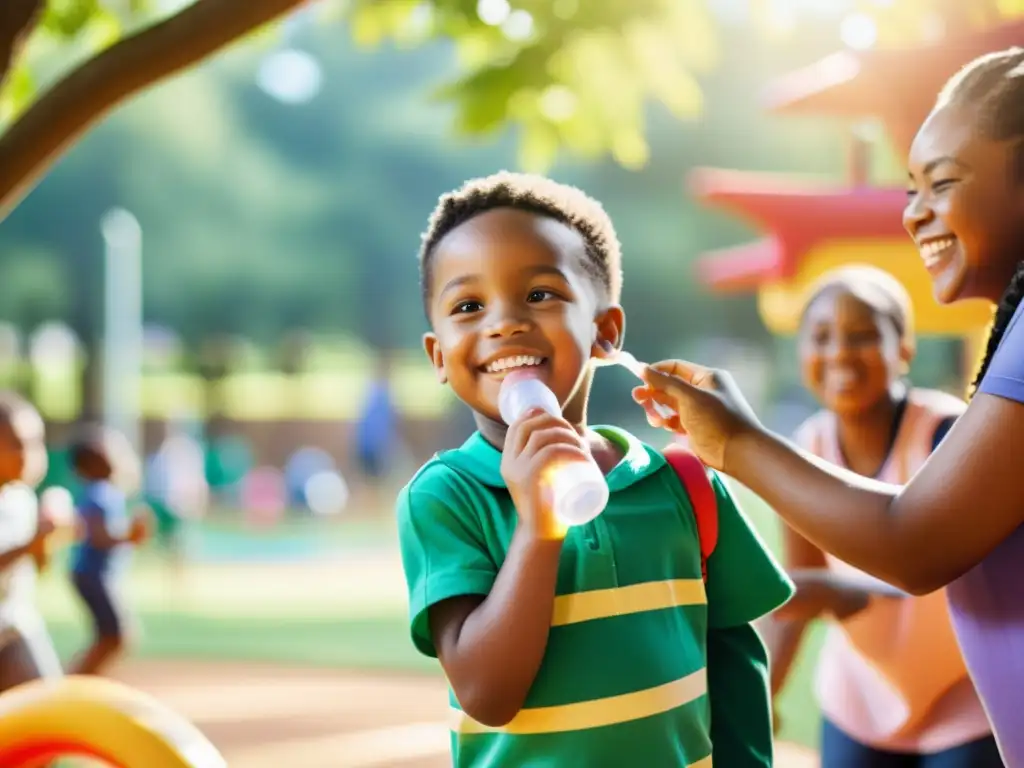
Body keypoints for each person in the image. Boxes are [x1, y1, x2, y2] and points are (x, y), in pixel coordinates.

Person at [633, 47, 1024, 765]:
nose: (914, 214)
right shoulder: (817, 439)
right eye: (910, 188)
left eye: (941, 183)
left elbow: (915, 544)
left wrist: (734, 444)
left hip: (957, 717)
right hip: (864, 703)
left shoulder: (952, 414)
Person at [396, 171, 794, 767]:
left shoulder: (684, 484)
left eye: (539, 294)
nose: (503, 324)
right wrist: (539, 528)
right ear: (438, 356)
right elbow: (487, 693)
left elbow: (734, 663)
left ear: (606, 332)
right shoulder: (446, 497)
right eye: (469, 305)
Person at [765, 266, 997, 766]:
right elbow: (799, 589)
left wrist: (851, 596)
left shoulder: (948, 436)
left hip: (963, 694)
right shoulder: (806, 448)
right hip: (860, 698)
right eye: (821, 336)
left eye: (864, 335)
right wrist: (765, 697)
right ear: (801, 351)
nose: (841, 352)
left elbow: (970, 573)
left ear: (905, 347)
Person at [67, 426, 149, 675]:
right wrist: (129, 536)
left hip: (98, 576)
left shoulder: (106, 493)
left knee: (115, 635)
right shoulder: (99, 493)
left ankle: (84, 681)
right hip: (93, 576)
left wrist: (129, 536)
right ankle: (73, 684)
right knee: (116, 634)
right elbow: (99, 536)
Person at [0, 392, 62, 691]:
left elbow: (40, 567)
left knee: (48, 708)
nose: (32, 455)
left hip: (13, 624)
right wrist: (30, 542)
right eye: (18, 445)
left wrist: (46, 539)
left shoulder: (22, 499)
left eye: (38, 443)